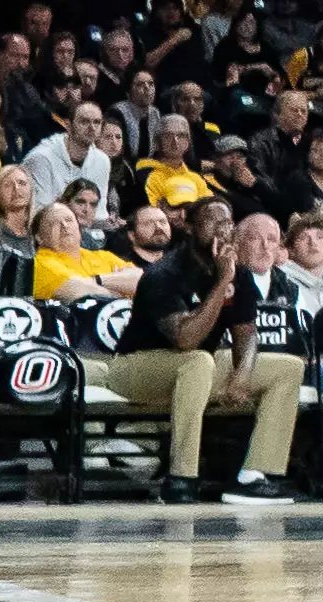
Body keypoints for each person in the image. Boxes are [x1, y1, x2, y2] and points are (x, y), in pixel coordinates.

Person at [112, 201, 301, 502]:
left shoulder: (238, 273)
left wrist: (243, 373)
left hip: (198, 370)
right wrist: (222, 282)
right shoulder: (165, 273)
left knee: (287, 367)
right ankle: (181, 476)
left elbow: (247, 333)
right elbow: (185, 339)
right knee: (198, 360)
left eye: (227, 223)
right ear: (189, 226)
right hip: (137, 368)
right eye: (212, 222)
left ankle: (254, 476)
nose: (221, 230)